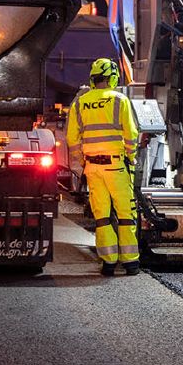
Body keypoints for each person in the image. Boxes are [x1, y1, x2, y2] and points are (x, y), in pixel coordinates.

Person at [66, 58, 141, 276]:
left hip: (93, 168)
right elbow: (131, 134)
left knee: (102, 216)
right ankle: (130, 263)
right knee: (126, 214)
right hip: (116, 167)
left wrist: (82, 160)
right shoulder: (120, 100)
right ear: (113, 78)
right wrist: (131, 156)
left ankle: (108, 263)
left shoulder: (80, 102)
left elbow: (72, 138)